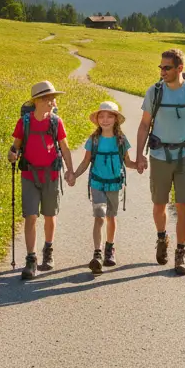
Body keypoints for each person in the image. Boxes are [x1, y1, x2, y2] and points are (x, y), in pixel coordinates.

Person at [136, 49, 185, 275]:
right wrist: (139, 155)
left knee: (183, 204)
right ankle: (162, 238)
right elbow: (143, 125)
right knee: (159, 204)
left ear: (180, 69)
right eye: (160, 67)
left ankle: (180, 253)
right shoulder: (155, 92)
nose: (162, 71)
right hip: (159, 156)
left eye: (166, 67)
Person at [8, 80, 76, 280]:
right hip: (29, 175)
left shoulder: (56, 122)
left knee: (49, 215)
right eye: (48, 98)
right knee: (30, 216)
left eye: (53, 98)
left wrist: (70, 170)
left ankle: (48, 249)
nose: (53, 102)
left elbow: (64, 147)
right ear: (37, 101)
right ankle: (31, 259)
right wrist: (12, 154)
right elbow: (15, 146)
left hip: (51, 175)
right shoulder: (24, 122)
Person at [71, 100, 136, 274]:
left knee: (111, 217)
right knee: (99, 216)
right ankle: (97, 253)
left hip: (114, 183)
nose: (105, 119)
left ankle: (110, 249)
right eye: (102, 116)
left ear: (115, 119)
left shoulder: (121, 140)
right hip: (97, 183)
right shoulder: (93, 140)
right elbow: (85, 162)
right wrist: (74, 175)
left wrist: (138, 164)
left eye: (109, 116)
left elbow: (127, 161)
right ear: (97, 119)